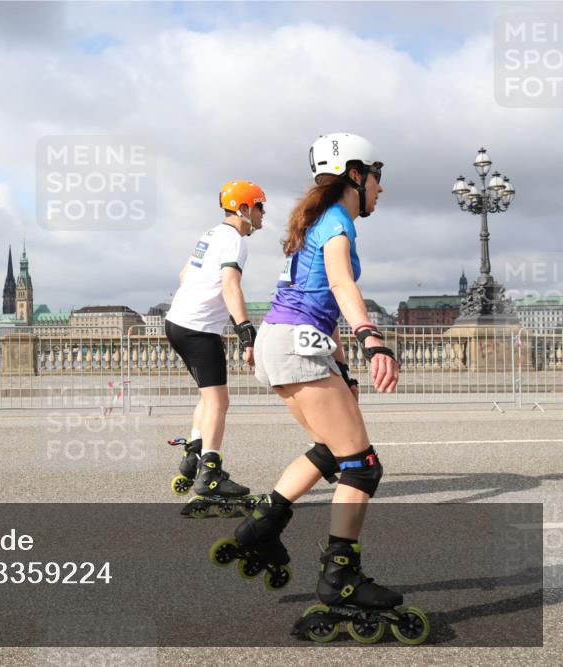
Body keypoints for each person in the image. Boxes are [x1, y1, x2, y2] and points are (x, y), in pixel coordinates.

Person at [212, 133, 411, 617]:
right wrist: (372, 338)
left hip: (282, 343)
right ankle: (340, 577)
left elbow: (317, 300)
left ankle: (263, 526)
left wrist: (341, 367)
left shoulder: (315, 219)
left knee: (331, 449)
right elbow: (339, 284)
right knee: (362, 466)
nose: (382, 189)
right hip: (297, 343)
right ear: (356, 175)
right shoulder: (339, 221)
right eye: (377, 176)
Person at [164, 181, 265, 509]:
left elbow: (183, 274)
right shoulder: (235, 240)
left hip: (177, 322)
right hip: (198, 329)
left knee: (208, 397)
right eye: (260, 207)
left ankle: (193, 453)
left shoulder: (210, 235)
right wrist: (245, 332)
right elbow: (230, 284)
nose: (264, 215)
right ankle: (210, 472)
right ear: (244, 209)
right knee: (220, 401)